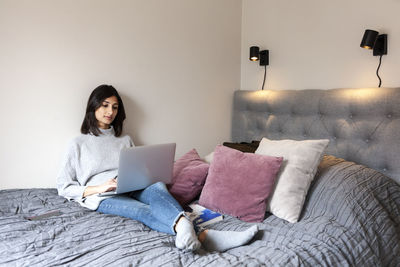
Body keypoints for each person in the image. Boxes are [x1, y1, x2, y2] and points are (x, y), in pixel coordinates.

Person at [57, 84, 258, 252]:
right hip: (102, 196)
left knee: (158, 188)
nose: (110, 112)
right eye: (105, 105)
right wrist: (99, 188)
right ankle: (205, 236)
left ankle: (187, 230)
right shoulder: (78, 143)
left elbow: (136, 167)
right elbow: (64, 187)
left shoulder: (124, 139)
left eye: (115, 107)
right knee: (144, 211)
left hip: (129, 185)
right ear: (93, 106)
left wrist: (146, 176)